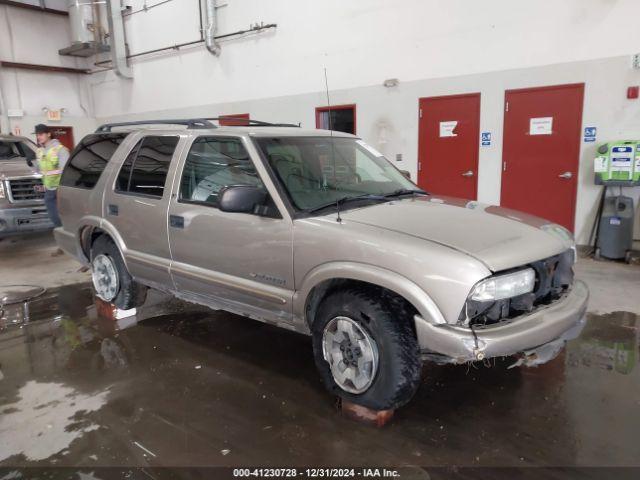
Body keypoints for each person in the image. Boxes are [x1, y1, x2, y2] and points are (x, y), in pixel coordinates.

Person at [33, 124, 69, 229]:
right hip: (49, 189)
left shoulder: (60, 149)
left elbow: (65, 171)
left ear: (49, 134)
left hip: (60, 188)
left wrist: (63, 188)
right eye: (37, 135)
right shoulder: (39, 151)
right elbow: (39, 170)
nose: (38, 137)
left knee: (63, 217)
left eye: (41, 134)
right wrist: (32, 163)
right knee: (55, 218)